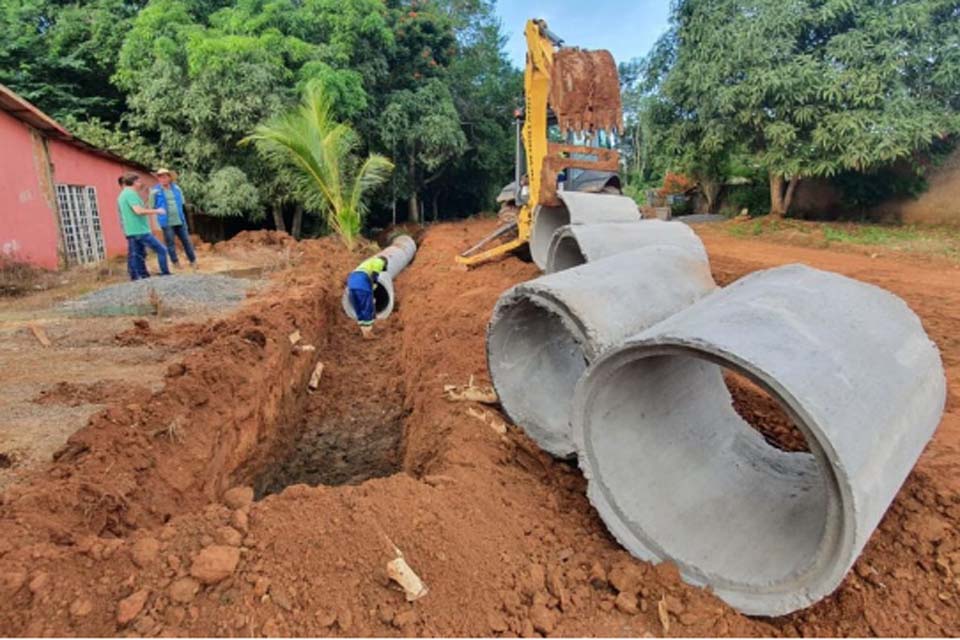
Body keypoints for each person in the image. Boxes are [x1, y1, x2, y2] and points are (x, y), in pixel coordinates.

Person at [117, 172, 170, 278]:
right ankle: (165, 274)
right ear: (133, 182)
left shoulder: (123, 194)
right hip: (139, 230)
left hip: (132, 230)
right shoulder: (130, 194)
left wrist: (150, 197)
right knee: (162, 250)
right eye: (139, 181)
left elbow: (138, 208)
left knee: (137, 255)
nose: (141, 183)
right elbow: (138, 211)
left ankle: (139, 276)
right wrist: (157, 211)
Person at [149, 168, 197, 271]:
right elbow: (152, 206)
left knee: (187, 241)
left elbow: (182, 203)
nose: (163, 179)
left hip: (179, 220)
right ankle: (175, 262)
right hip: (166, 222)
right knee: (170, 243)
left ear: (169, 177)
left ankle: (193, 261)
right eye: (160, 177)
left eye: (165, 176)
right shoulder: (155, 191)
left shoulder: (177, 189)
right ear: (158, 178)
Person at [346, 255, 389, 338]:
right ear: (384, 263)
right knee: (367, 308)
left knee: (359, 308)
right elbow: (374, 276)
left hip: (351, 283)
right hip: (362, 284)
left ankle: (364, 331)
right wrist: (374, 287)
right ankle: (368, 333)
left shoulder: (366, 263)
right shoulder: (379, 262)